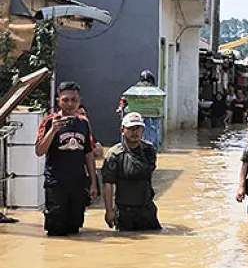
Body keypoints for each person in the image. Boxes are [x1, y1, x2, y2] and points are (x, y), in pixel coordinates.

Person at [35, 81, 98, 236]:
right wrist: (53, 130)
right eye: (65, 100)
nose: (70, 104)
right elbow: (39, 151)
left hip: (78, 183)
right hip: (56, 183)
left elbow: (89, 153)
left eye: (74, 100)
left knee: (75, 228)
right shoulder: (49, 121)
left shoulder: (83, 122)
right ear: (58, 101)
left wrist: (93, 182)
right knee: (55, 229)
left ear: (79, 101)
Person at [102, 112, 161, 232]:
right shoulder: (115, 154)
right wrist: (109, 211)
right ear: (122, 130)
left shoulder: (149, 150)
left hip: (147, 209)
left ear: (143, 130)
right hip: (125, 211)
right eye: (130, 129)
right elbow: (108, 184)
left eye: (138, 128)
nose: (135, 132)